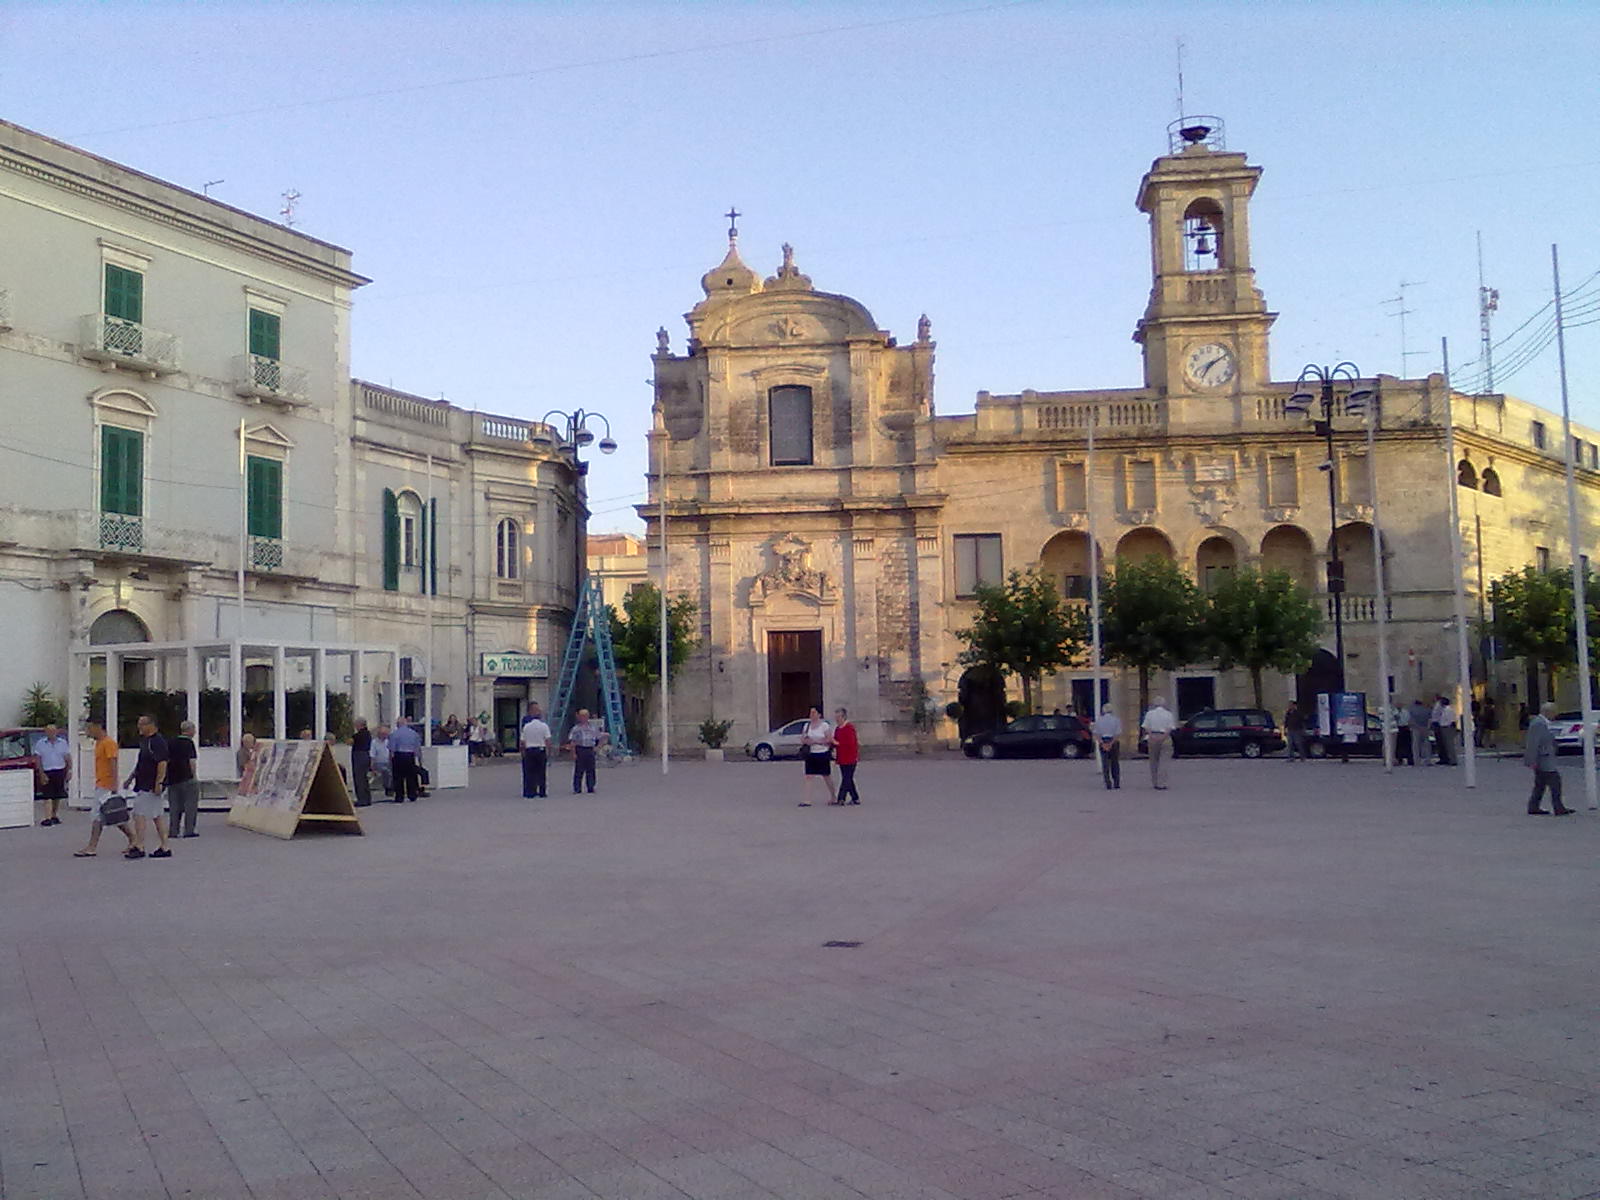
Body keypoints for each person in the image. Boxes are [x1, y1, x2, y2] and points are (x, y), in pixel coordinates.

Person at [74, 720, 136, 857]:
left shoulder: (109, 743)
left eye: (89, 728)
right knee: (113, 815)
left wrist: (114, 784)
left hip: (107, 785)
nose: (87, 732)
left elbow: (112, 763)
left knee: (97, 815)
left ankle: (92, 847)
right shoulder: (99, 743)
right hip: (101, 783)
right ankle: (133, 839)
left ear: (98, 727)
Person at [123, 714, 171, 859]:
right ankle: (165, 846)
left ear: (151, 725)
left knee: (139, 814)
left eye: (142, 724)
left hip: (150, 785)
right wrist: (131, 778)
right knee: (157, 815)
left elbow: (162, 762)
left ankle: (139, 845)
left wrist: (159, 782)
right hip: (143, 782)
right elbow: (141, 763)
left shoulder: (157, 742)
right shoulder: (145, 742)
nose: (139, 727)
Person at [1524, 702, 1574, 816]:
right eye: (1554, 712)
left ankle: (1533, 806)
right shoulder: (1538, 724)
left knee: (1540, 784)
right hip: (1543, 759)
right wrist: (1531, 761)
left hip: (1544, 758)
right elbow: (1533, 743)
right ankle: (1558, 807)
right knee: (1555, 782)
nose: (1555, 715)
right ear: (1548, 712)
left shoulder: (1542, 723)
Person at [32, 723, 72, 826]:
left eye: (53, 731)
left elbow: (67, 757)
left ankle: (54, 815)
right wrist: (41, 773)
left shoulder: (62, 743)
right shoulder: (40, 743)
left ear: (56, 732)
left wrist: (69, 770)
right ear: (45, 732)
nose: (51, 733)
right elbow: (38, 759)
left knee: (57, 795)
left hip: (59, 770)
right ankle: (47, 817)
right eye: (48, 731)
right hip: (47, 771)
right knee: (47, 795)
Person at [166, 720, 200, 839]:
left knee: (174, 805)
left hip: (173, 778)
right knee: (190, 804)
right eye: (194, 729)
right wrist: (194, 775)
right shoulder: (189, 743)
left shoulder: (171, 742)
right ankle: (189, 830)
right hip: (187, 777)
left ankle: (173, 830)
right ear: (190, 730)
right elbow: (192, 761)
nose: (195, 732)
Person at [797, 706, 835, 807]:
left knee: (826, 776)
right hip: (811, 753)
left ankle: (833, 796)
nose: (811, 715)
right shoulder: (807, 726)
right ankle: (807, 800)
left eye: (814, 713)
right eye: (811, 713)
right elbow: (802, 739)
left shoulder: (824, 726)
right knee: (808, 776)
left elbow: (829, 739)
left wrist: (816, 741)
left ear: (819, 714)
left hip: (822, 753)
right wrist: (807, 741)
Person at [564, 709, 606, 794]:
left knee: (591, 770)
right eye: (582, 716)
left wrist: (597, 747)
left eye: (585, 716)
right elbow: (573, 742)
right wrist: (574, 753)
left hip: (590, 749)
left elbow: (601, 737)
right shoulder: (576, 729)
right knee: (578, 770)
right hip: (580, 749)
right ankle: (577, 788)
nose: (584, 718)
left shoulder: (593, 728)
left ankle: (591, 787)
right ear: (579, 717)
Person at [1141, 696, 1176, 790]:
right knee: (1164, 760)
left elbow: (1146, 727)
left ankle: (1155, 782)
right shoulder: (1169, 714)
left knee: (1153, 761)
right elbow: (1170, 728)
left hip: (1153, 737)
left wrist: (1151, 735)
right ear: (1164, 704)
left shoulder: (1149, 714)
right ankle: (1162, 783)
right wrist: (1163, 736)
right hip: (1165, 737)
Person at [388, 716, 422, 802]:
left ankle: (399, 796)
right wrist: (419, 759)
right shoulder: (414, 733)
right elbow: (417, 748)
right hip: (410, 755)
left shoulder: (394, 734)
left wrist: (390, 759)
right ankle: (412, 794)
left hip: (399, 755)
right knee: (411, 776)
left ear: (398, 724)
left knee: (398, 777)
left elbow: (391, 748)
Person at [520, 706, 552, 798]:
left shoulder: (526, 726)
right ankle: (542, 791)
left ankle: (530, 792)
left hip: (529, 751)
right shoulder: (544, 726)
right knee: (541, 772)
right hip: (540, 750)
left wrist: (523, 752)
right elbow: (548, 741)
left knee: (530, 772)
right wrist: (548, 752)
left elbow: (522, 742)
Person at [832, 707, 861, 805]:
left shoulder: (849, 727)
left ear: (843, 717)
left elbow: (851, 743)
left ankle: (841, 798)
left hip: (850, 757)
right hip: (841, 757)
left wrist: (837, 743)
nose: (837, 719)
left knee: (846, 778)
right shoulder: (837, 729)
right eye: (836, 717)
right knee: (848, 778)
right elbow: (835, 741)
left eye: (838, 717)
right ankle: (855, 798)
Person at [1093, 703, 1122, 790]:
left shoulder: (1099, 720)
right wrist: (1111, 743)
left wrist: (1102, 743)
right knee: (1115, 763)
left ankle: (1108, 782)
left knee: (1105, 763)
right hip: (1113, 741)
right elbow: (1117, 734)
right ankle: (1116, 782)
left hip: (1103, 740)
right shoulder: (1116, 720)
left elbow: (1096, 734)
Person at [350, 718, 373, 807]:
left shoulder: (358, 735)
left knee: (359, 778)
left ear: (360, 725)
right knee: (364, 778)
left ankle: (362, 799)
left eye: (356, 725)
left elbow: (349, 741)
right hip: (366, 755)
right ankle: (367, 798)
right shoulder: (368, 734)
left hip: (359, 756)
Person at [1432, 695, 1458, 766]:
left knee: (1449, 744)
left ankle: (1453, 760)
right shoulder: (1445, 710)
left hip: (1447, 728)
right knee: (1447, 744)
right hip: (1444, 727)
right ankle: (1450, 759)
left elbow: (1452, 720)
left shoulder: (1448, 710)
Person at [370, 724, 393, 798]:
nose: (385, 736)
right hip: (378, 763)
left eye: (386, 734)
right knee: (386, 771)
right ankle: (388, 788)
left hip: (389, 762)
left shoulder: (389, 741)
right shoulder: (374, 742)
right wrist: (372, 768)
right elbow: (372, 756)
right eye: (383, 734)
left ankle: (393, 788)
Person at [1408, 699, 1432, 767]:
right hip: (1425, 728)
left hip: (1416, 729)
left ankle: (1416, 761)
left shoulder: (1412, 710)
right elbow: (1430, 719)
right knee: (1426, 744)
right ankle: (1428, 760)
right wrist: (1428, 727)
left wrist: (1415, 726)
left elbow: (1410, 720)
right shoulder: (1427, 710)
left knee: (1415, 746)